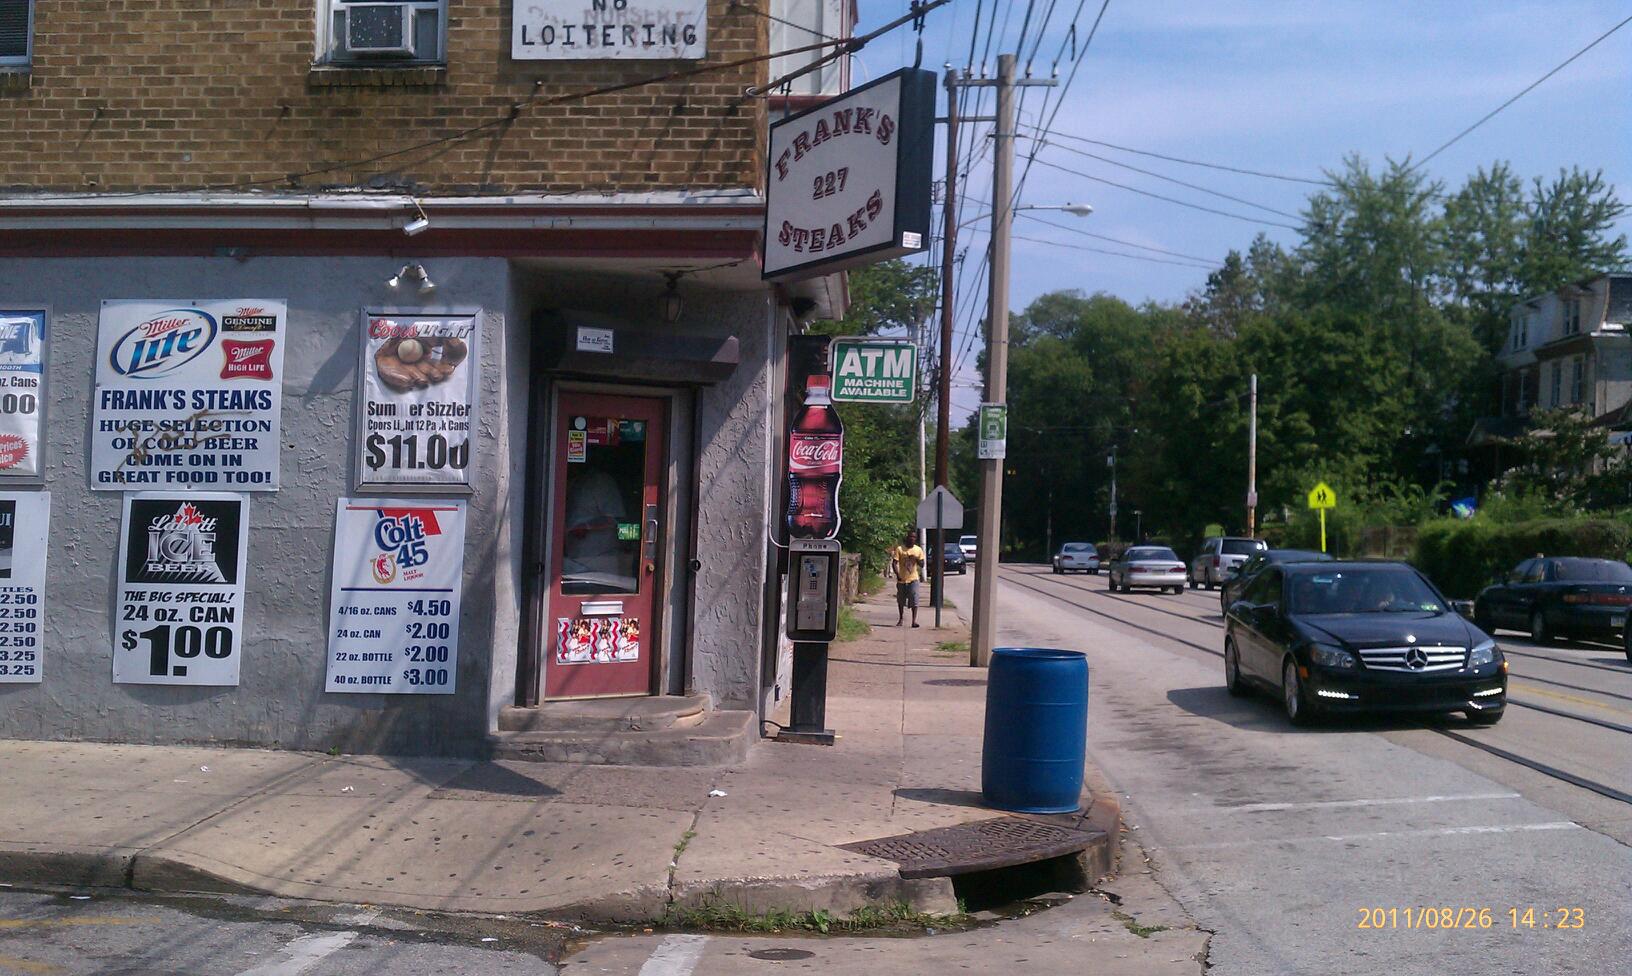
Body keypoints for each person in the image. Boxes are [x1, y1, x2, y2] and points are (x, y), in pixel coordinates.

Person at [887, 532, 926, 628]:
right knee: (901, 600)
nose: (912, 539)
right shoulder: (900, 549)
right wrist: (897, 574)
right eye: (910, 537)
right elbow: (894, 563)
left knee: (914, 599)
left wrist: (916, 559)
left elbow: (922, 564)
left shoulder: (918, 550)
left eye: (914, 537)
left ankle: (914, 621)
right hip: (902, 579)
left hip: (914, 579)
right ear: (907, 538)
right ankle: (901, 619)